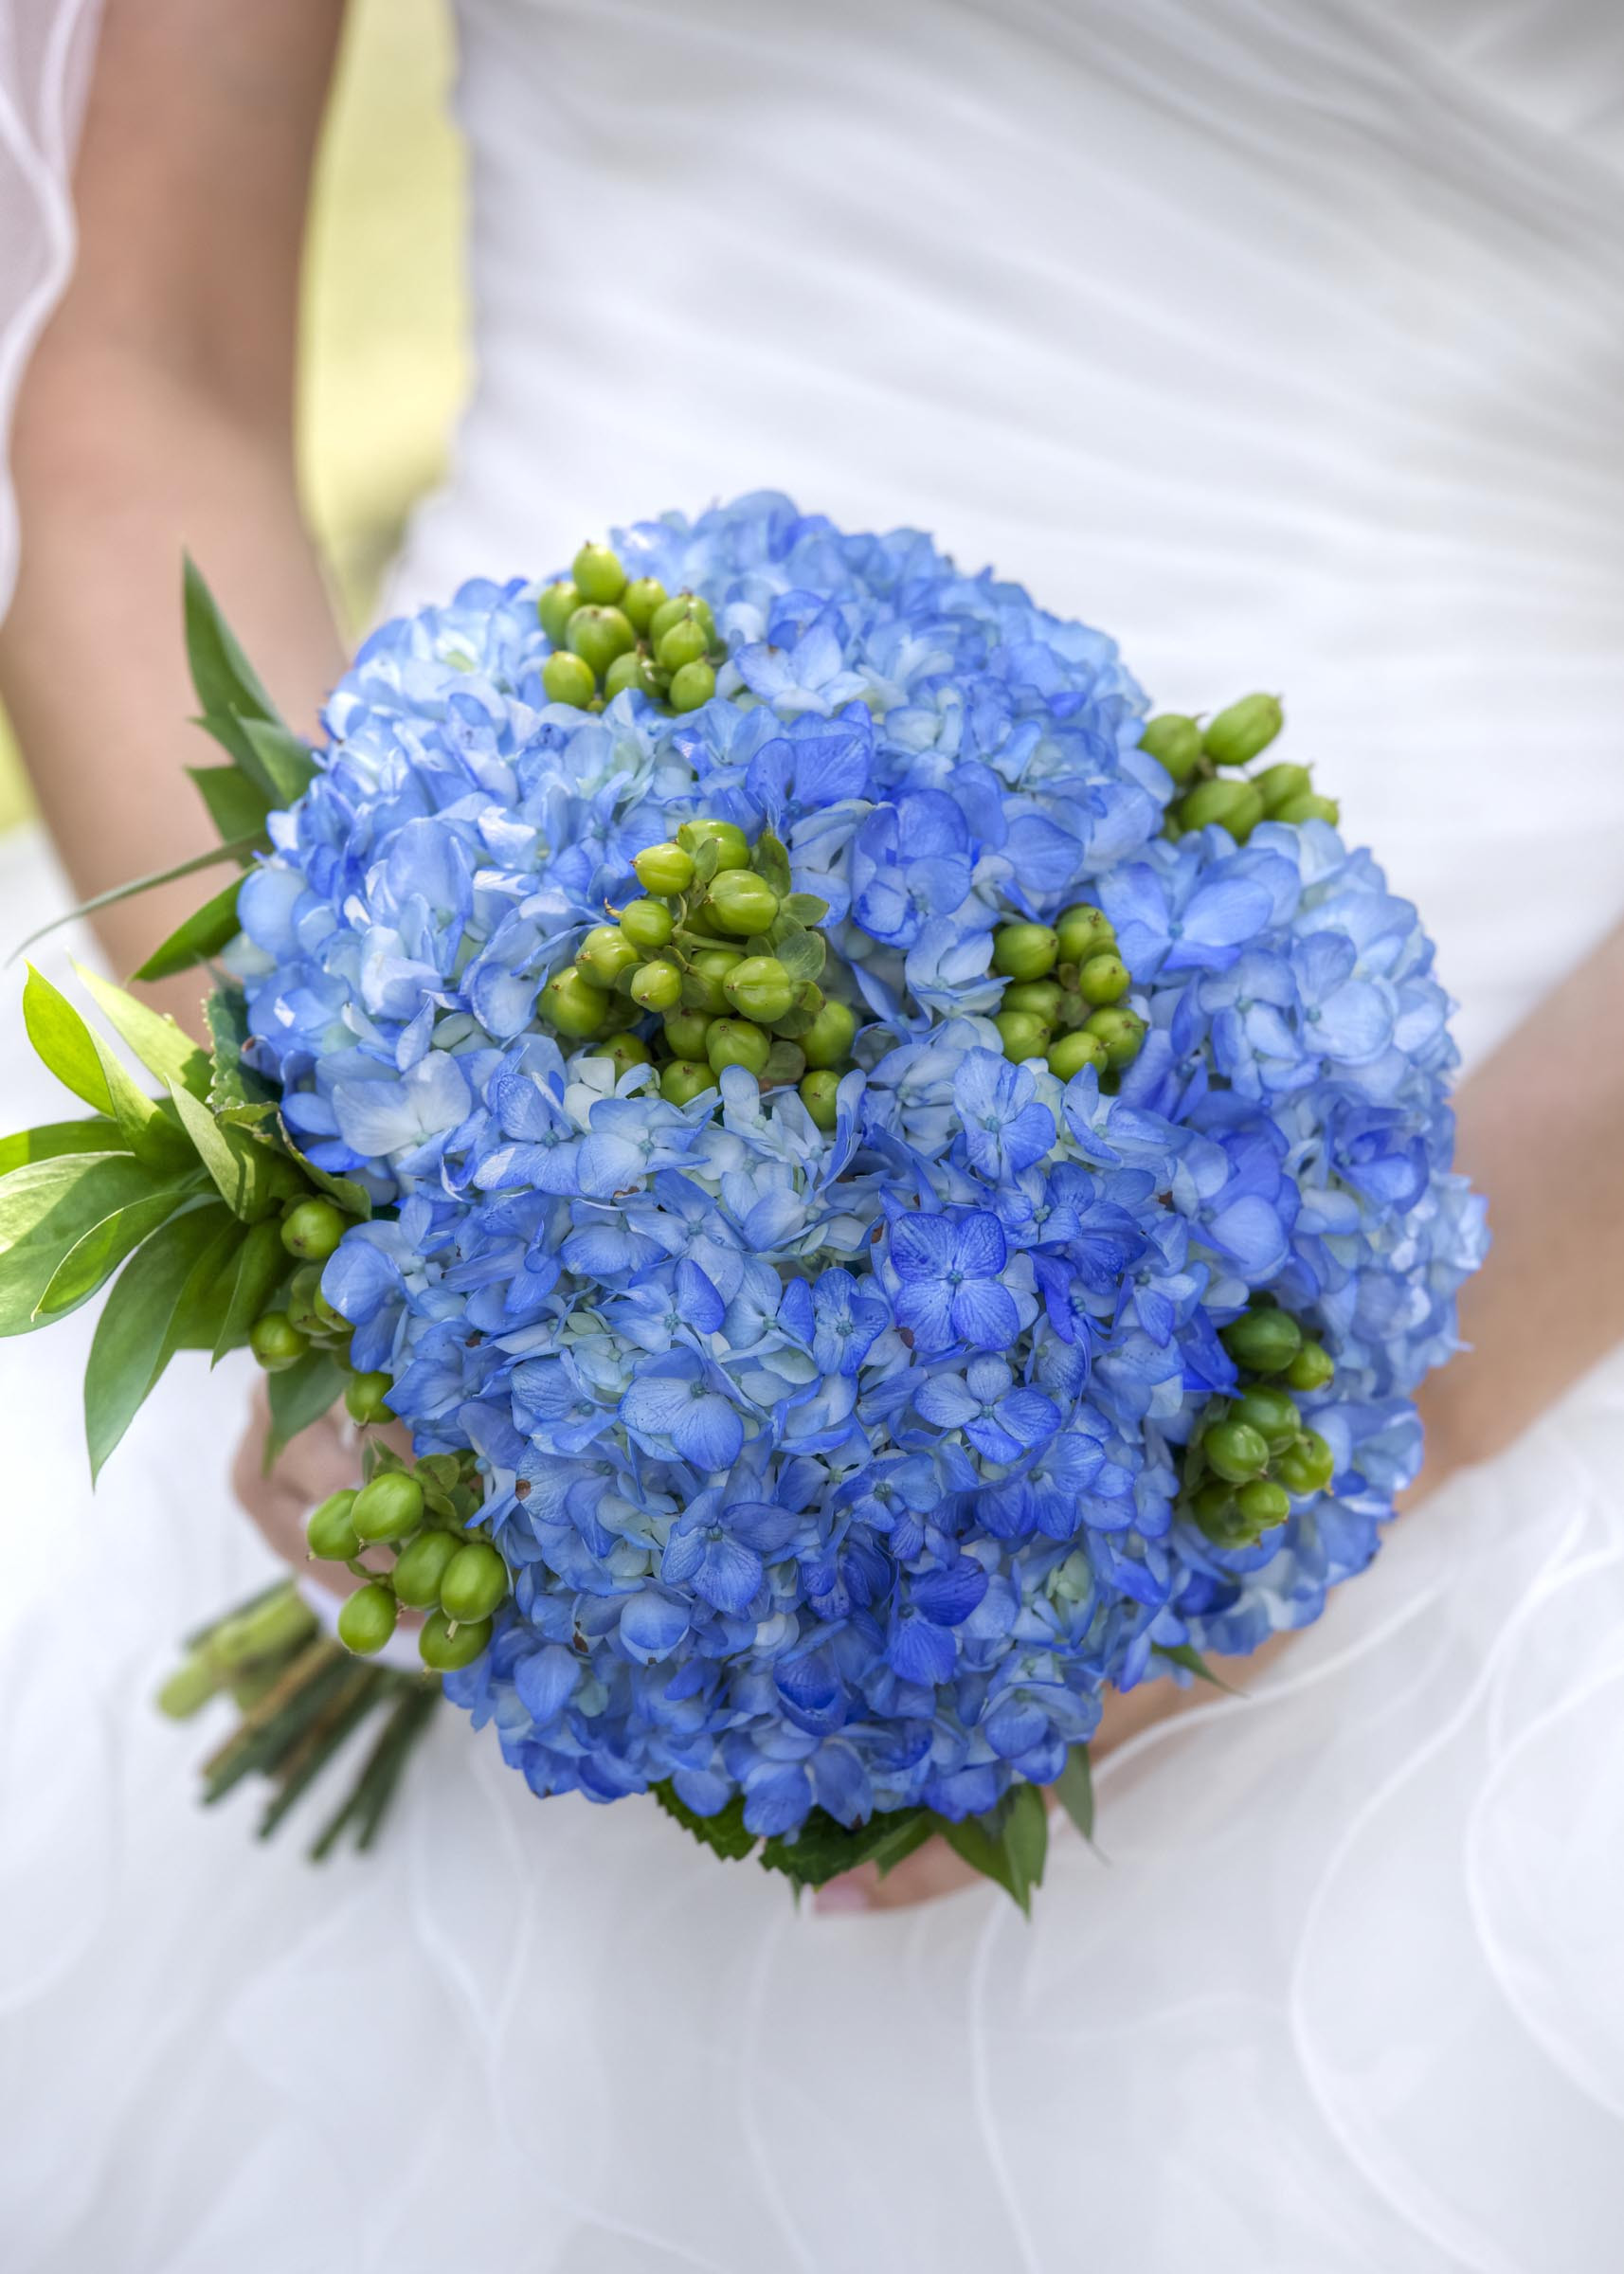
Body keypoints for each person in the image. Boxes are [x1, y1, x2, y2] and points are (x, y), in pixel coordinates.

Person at [2, 3, 1621, 2266]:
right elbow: (133, 367)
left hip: (1470, 1214)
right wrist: (322, 1160)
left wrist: (1357, 1398)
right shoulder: (390, 1119)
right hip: (477, 964)